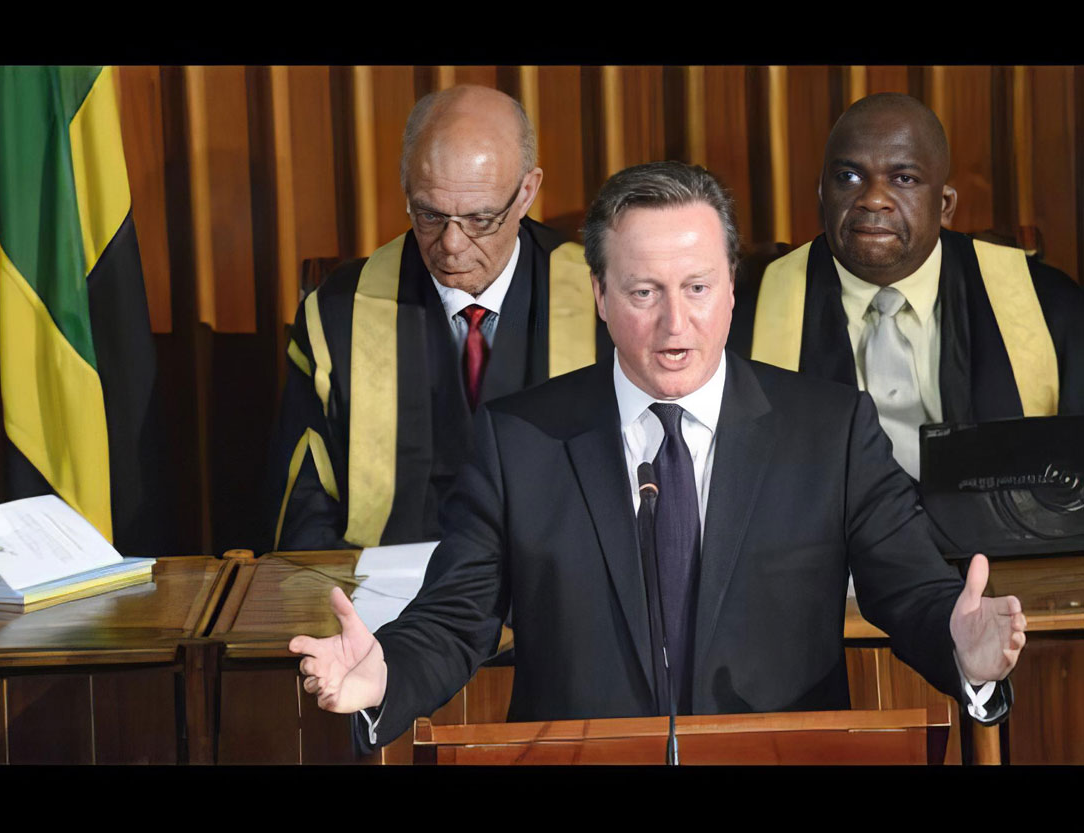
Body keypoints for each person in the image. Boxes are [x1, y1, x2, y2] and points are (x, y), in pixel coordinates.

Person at [290, 162, 1026, 749]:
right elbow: (455, 619)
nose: (677, 323)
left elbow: (913, 594)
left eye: (698, 287)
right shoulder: (520, 440)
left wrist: (965, 652)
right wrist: (386, 673)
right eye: (644, 291)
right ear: (601, 294)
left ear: (732, 288)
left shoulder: (828, 431)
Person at [267, 85, 607, 552]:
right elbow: (306, 511)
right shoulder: (338, 313)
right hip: (388, 604)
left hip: (555, 602)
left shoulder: (604, 303)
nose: (451, 244)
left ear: (527, 192)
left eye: (480, 219)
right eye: (429, 214)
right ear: (407, 187)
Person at [728, 92, 1084, 480]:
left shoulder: (1050, 308)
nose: (873, 199)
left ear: (945, 205)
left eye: (904, 179)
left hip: (991, 536)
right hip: (827, 540)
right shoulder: (744, 313)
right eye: (848, 177)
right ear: (822, 197)